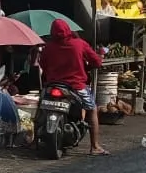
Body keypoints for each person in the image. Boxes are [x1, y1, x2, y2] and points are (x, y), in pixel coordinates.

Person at [38, 19, 106, 155]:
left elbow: (43, 66)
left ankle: (35, 142)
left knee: (41, 108)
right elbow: (97, 62)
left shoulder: (48, 48)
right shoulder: (79, 44)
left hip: (52, 85)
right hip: (76, 86)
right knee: (92, 109)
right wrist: (97, 58)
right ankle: (95, 146)